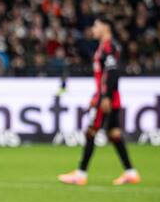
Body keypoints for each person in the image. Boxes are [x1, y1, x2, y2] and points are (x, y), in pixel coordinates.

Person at [58, 19, 141, 186]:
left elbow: (113, 73)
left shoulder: (108, 47)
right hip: (109, 97)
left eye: (96, 26)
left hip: (106, 99)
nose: (93, 29)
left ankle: (80, 174)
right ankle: (131, 172)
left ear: (105, 28)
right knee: (114, 134)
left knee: (90, 132)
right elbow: (105, 75)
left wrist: (104, 97)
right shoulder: (106, 47)